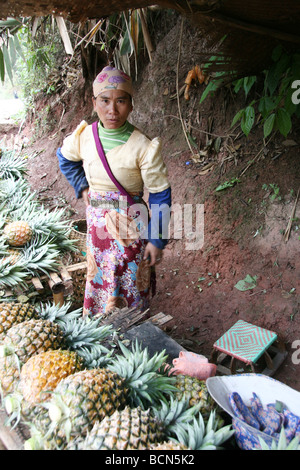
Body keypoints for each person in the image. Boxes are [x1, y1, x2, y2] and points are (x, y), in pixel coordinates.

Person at [57, 65, 171, 317]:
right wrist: (82, 185)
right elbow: (65, 158)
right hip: (98, 234)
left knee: (129, 283)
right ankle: (99, 334)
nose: (112, 110)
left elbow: (161, 194)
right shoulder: (84, 137)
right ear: (94, 102)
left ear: (131, 104)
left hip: (132, 233)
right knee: (99, 280)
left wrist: (156, 239)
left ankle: (132, 333)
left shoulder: (143, 147)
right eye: (105, 101)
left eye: (120, 101)